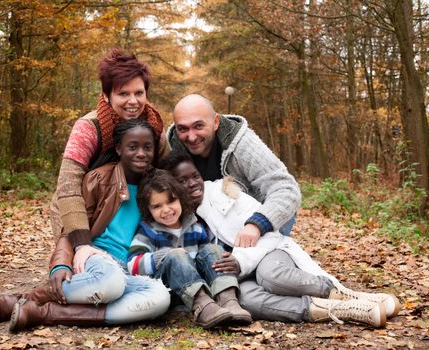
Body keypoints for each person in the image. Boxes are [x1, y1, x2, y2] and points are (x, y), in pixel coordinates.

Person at [161, 152, 400, 328]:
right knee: (247, 301)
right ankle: (343, 309)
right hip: (238, 277)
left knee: (270, 277)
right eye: (182, 181)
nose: (192, 184)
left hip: (269, 252)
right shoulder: (176, 218)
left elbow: (270, 236)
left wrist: (241, 261)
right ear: (171, 186)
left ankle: (347, 294)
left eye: (194, 176)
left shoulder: (226, 195)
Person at [0, 119, 170, 332]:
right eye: (133, 147)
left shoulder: (157, 184)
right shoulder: (99, 179)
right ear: (119, 148)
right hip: (95, 259)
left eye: (148, 147)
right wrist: (61, 264)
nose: (141, 153)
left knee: (160, 297)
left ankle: (40, 312)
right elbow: (72, 228)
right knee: (111, 283)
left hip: (129, 268)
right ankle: (30, 297)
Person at [50, 48, 167, 246]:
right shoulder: (88, 128)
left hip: (130, 215)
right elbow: (68, 187)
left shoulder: (154, 130)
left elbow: (170, 176)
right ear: (106, 95)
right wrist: (81, 245)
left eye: (139, 93)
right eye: (123, 93)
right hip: (83, 212)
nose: (133, 101)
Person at [168, 93, 300, 244]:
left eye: (199, 126)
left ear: (216, 122)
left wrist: (256, 224)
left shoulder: (242, 144)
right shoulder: (173, 152)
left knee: (262, 264)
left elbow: (286, 188)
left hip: (259, 220)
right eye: (183, 129)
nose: (191, 137)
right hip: (214, 227)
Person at [127, 170, 252, 328]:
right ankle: (202, 306)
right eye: (157, 206)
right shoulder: (148, 230)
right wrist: (164, 256)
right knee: (177, 255)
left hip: (205, 288)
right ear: (148, 209)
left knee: (214, 249)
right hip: (172, 292)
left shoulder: (196, 227)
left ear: (180, 199)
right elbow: (133, 265)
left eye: (171, 201)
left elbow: (210, 258)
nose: (166, 210)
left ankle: (227, 300)